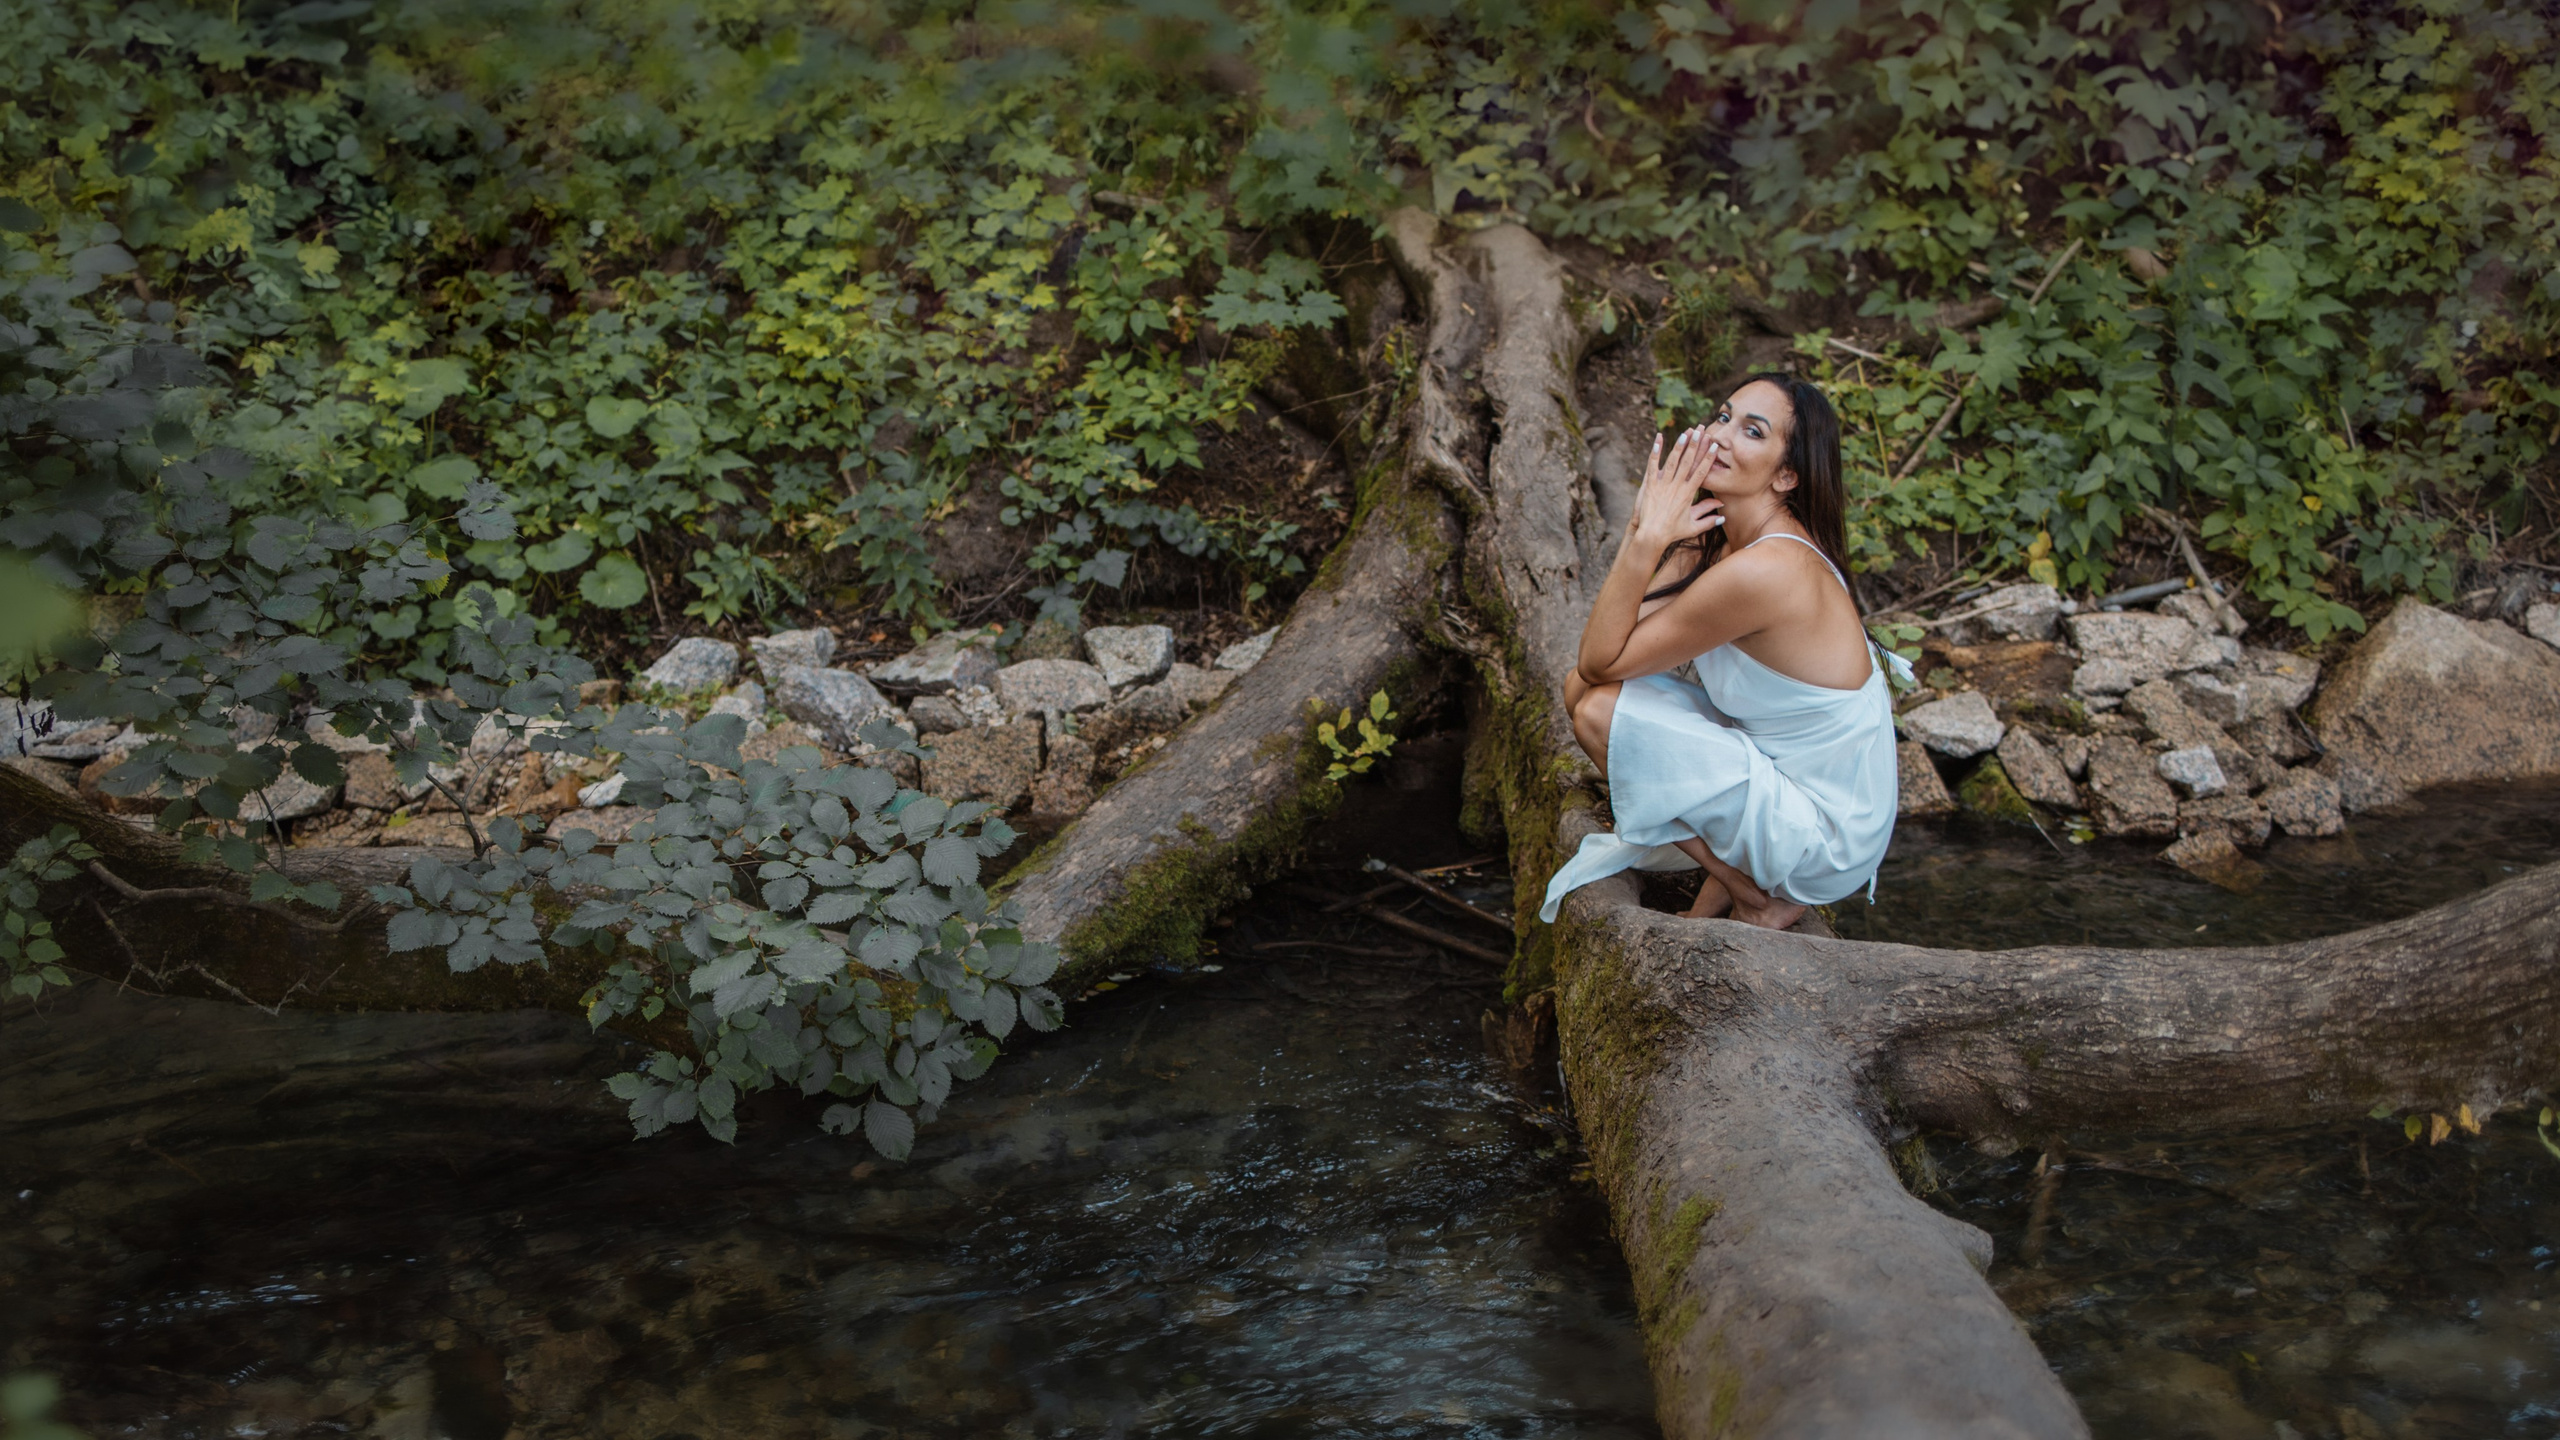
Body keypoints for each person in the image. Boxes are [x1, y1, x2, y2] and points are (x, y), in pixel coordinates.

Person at [1539, 372, 1903, 931]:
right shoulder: (1718, 537)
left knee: (1597, 711)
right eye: (1724, 417)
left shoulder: (1768, 569)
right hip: (1783, 779)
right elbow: (1607, 653)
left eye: (1752, 431)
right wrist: (1644, 528)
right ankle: (1729, 885)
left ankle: (1754, 895)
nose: (1720, 436)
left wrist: (1647, 539)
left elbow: (1601, 661)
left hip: (1826, 834)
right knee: (1582, 691)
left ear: (1786, 475)